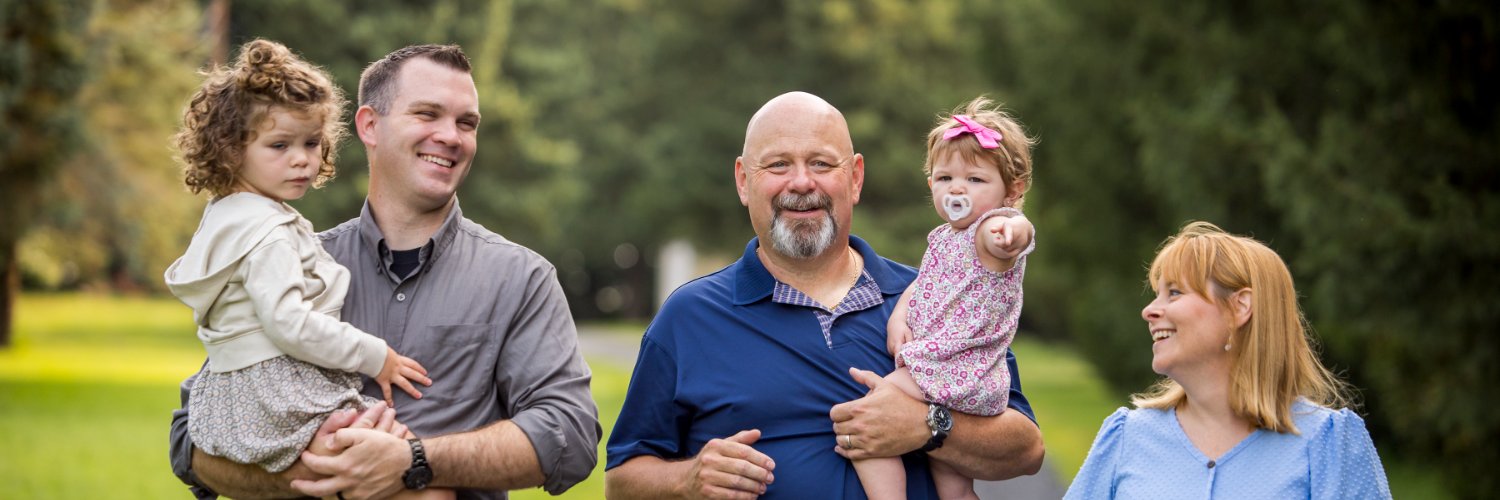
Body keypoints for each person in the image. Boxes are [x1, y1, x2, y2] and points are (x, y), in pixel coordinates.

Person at [168, 43, 601, 500]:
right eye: (427, 114)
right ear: (370, 126)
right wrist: (326, 471)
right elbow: (190, 440)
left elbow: (569, 436)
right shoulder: (293, 259)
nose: (451, 136)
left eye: (466, 123)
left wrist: (416, 462)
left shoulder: (521, 278)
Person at [604, 91, 1045, 499]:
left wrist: (930, 426)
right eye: (778, 165)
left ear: (855, 178)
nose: (801, 183)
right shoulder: (689, 316)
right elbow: (621, 481)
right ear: (743, 181)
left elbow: (1026, 451)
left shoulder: (938, 296)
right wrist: (687, 479)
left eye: (821, 163)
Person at [165, 38, 437, 488]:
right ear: (231, 150)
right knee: (407, 466)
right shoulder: (268, 233)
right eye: (279, 145)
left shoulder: (227, 215)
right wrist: (376, 356)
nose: (302, 160)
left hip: (234, 396)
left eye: (312, 143)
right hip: (281, 395)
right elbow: (290, 324)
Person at [1063, 222, 1392, 499]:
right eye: (1157, 294)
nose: (1149, 311)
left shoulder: (1328, 443)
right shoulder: (1126, 437)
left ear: (1239, 308)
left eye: (1174, 292)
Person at [856, 97, 1037, 500]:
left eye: (975, 179)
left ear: (1012, 190)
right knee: (952, 487)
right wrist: (898, 318)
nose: (956, 188)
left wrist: (1012, 234)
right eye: (944, 178)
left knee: (872, 422)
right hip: (962, 372)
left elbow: (1017, 231)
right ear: (931, 186)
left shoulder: (990, 230)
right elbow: (923, 284)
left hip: (952, 370)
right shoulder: (944, 237)